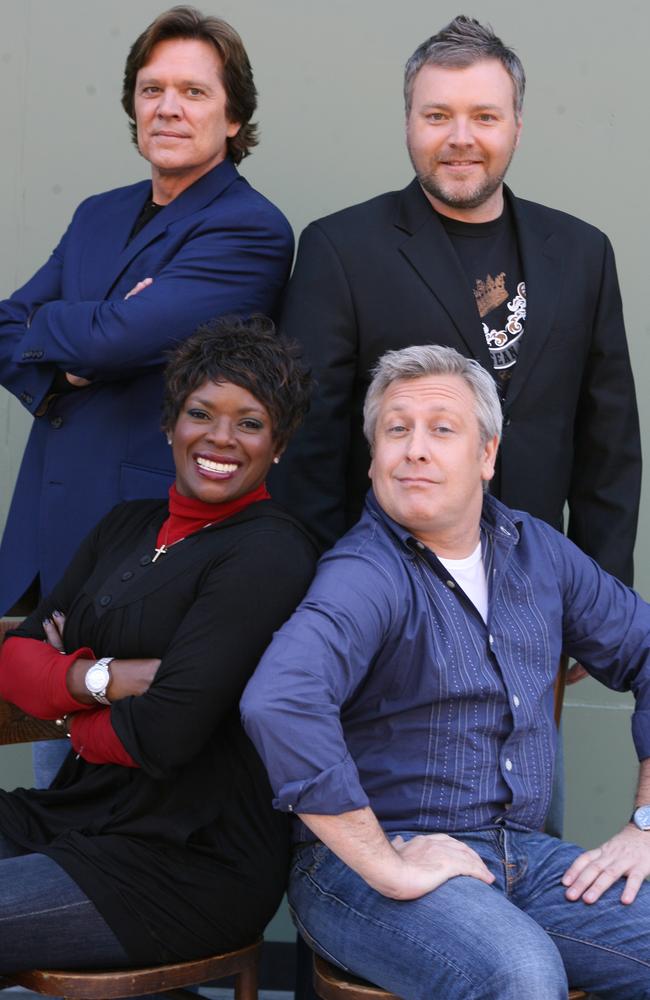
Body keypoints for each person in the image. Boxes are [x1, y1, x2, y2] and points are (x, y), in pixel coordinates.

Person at [243, 344, 650, 1000]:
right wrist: (387, 863)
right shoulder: (365, 572)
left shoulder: (536, 551)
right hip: (365, 871)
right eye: (396, 429)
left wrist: (645, 826)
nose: (415, 449)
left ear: (486, 455)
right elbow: (281, 699)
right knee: (518, 973)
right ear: (374, 457)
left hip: (527, 861)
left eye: (442, 428)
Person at [0, 4, 294, 787]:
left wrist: (81, 332)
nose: (168, 107)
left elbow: (119, 340)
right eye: (151, 88)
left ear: (234, 116)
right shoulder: (97, 215)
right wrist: (74, 351)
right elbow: (10, 326)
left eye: (194, 92)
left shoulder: (251, 229)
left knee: (117, 783)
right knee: (46, 769)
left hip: (146, 560)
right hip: (49, 537)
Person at [271, 15, 640, 593]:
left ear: (516, 126)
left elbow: (608, 445)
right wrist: (330, 595)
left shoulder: (582, 252)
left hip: (540, 593)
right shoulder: (340, 250)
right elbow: (306, 449)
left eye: (485, 117)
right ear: (408, 124)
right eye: (438, 115)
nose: (460, 138)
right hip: (390, 596)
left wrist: (601, 594)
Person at [0, 316, 316, 972]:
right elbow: (13, 660)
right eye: (202, 412)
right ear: (170, 423)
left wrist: (67, 700)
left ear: (278, 445)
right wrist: (104, 682)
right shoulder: (126, 525)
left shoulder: (271, 552)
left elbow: (170, 733)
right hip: (76, 814)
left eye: (250, 422)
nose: (221, 438)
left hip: (183, 864)